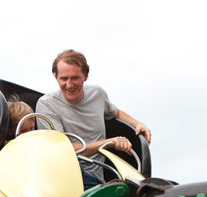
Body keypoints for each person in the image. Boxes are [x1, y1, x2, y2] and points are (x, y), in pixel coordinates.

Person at [36, 49, 151, 180]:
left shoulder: (97, 94)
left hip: (97, 180)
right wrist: (109, 142)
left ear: (85, 76)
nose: (69, 85)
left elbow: (115, 112)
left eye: (74, 78)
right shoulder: (47, 105)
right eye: (64, 79)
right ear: (56, 78)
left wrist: (137, 124)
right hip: (68, 179)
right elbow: (63, 151)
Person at [6, 97, 102, 190]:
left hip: (72, 173)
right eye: (23, 131)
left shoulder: (38, 138)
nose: (29, 133)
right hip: (54, 182)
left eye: (31, 128)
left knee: (97, 184)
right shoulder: (12, 146)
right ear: (10, 131)